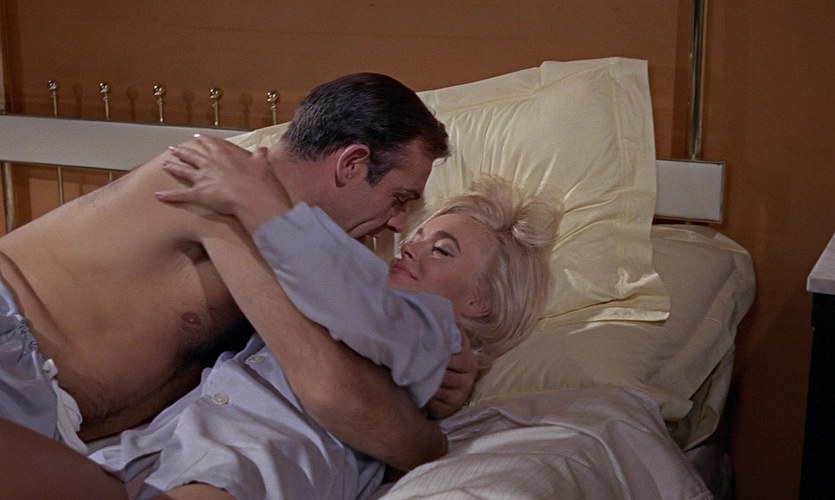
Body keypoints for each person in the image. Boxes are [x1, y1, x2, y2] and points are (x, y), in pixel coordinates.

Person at [0, 72, 473, 496]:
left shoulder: (300, 258)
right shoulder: (221, 188)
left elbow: (356, 341)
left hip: (43, 422)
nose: (397, 224)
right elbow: (333, 390)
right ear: (351, 164)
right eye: (399, 199)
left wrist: (439, 360)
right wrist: (430, 444)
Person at [91, 158, 561, 499]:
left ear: (479, 302)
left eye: (441, 250)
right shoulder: (361, 300)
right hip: (160, 443)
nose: (408, 248)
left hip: (258, 460)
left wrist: (259, 201)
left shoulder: (435, 332)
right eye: (415, 238)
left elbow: (335, 283)